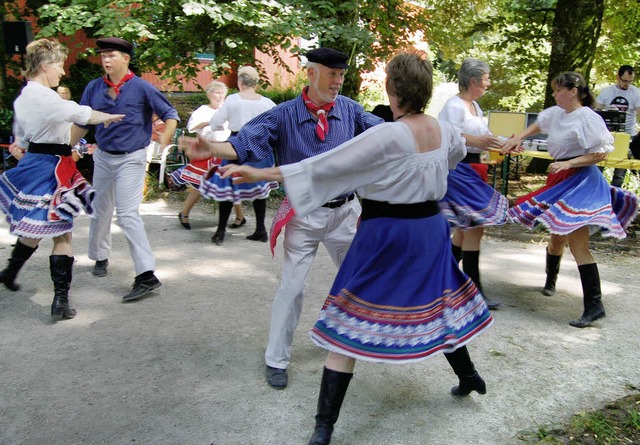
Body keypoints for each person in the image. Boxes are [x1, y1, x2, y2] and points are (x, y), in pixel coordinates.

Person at [220, 49, 493, 445]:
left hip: (387, 233)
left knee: (348, 315)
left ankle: (324, 428)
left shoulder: (386, 134)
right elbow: (451, 160)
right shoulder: (441, 129)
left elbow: (326, 166)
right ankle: (469, 376)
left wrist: (259, 170)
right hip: (431, 231)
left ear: (392, 89)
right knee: (439, 302)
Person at [179, 47, 384, 389]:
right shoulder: (284, 114)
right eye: (331, 74)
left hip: (346, 213)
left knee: (360, 280)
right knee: (291, 288)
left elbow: (388, 135)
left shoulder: (350, 110)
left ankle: (356, 340)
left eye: (341, 75)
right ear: (311, 73)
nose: (338, 81)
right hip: (303, 214)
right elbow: (245, 142)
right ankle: (276, 359)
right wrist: (213, 148)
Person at [501, 72, 638, 328]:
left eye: (557, 90)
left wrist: (569, 162)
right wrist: (519, 137)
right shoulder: (557, 113)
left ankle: (595, 306)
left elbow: (600, 153)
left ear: (573, 91)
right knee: (556, 238)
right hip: (560, 179)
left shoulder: (588, 118)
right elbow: (539, 124)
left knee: (578, 244)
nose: (554, 94)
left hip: (582, 181)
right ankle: (550, 281)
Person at [0, 39, 124, 319]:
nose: (62, 72)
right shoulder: (45, 97)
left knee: (35, 227)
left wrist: (21, 144)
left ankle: (9, 272)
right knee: (62, 232)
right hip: (53, 167)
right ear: (45, 67)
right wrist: (109, 116)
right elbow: (80, 113)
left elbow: (21, 134)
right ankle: (60, 302)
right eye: (59, 66)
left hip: (35, 162)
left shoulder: (23, 97)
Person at [72, 37, 179, 302]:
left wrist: (164, 138)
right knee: (100, 210)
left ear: (126, 59)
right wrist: (64, 148)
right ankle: (100, 256)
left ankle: (146, 274)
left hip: (132, 158)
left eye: (111, 55)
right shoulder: (94, 87)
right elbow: (82, 121)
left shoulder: (142, 87)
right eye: (103, 56)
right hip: (103, 157)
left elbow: (171, 114)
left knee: (128, 214)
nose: (106, 60)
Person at [438, 59, 508, 310]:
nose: (489, 83)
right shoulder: (454, 106)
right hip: (460, 170)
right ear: (473, 81)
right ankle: (473, 291)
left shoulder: (474, 106)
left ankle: (445, 283)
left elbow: (484, 137)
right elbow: (448, 135)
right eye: (486, 78)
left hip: (476, 169)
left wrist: (506, 143)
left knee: (465, 231)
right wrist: (477, 141)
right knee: (475, 227)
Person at [201, 66, 278, 245]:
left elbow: (216, 123)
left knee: (229, 186)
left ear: (240, 82)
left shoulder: (233, 100)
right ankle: (261, 229)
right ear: (256, 83)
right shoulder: (267, 103)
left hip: (237, 144)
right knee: (260, 187)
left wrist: (219, 129)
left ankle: (220, 232)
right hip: (261, 146)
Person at [171, 81, 243, 230]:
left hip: (226, 150)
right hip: (206, 151)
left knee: (231, 183)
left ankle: (240, 216)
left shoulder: (229, 109)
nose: (219, 96)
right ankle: (184, 213)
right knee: (200, 183)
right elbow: (192, 127)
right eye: (216, 92)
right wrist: (209, 122)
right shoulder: (203, 110)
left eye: (222, 93)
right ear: (209, 95)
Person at [595, 65, 640, 187]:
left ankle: (616, 194)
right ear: (617, 77)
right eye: (625, 81)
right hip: (606, 136)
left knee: (620, 169)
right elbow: (595, 111)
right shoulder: (607, 92)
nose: (627, 84)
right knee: (600, 165)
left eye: (630, 81)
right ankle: (598, 191)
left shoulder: (636, 93)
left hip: (626, 136)